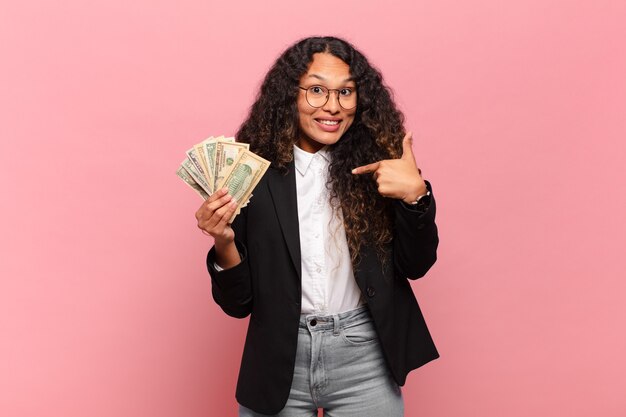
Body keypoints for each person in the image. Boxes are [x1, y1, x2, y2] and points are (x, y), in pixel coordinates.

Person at [195, 36, 439, 417]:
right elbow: (237, 305)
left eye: (346, 92)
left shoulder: (383, 167)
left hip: (365, 360)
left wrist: (416, 196)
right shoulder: (250, 173)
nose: (332, 106)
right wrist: (224, 241)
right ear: (290, 94)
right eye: (316, 90)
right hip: (279, 360)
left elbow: (417, 265)